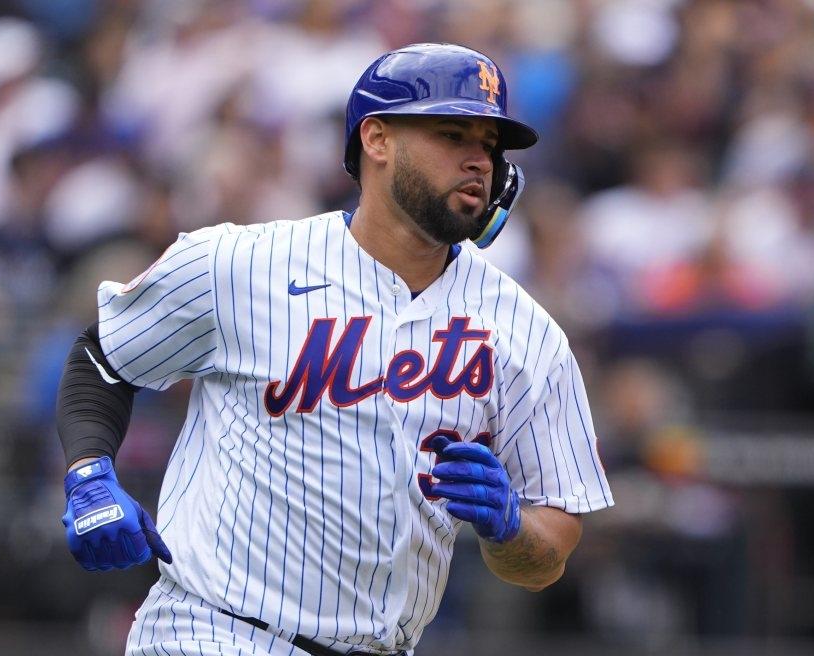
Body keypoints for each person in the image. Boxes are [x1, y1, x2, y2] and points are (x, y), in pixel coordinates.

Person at [56, 43, 614, 656]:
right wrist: (90, 475)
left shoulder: (528, 334)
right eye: (453, 134)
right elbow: (103, 357)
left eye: (488, 144)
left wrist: (510, 529)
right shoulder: (240, 263)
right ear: (376, 139)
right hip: (214, 631)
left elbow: (549, 551)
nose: (478, 160)